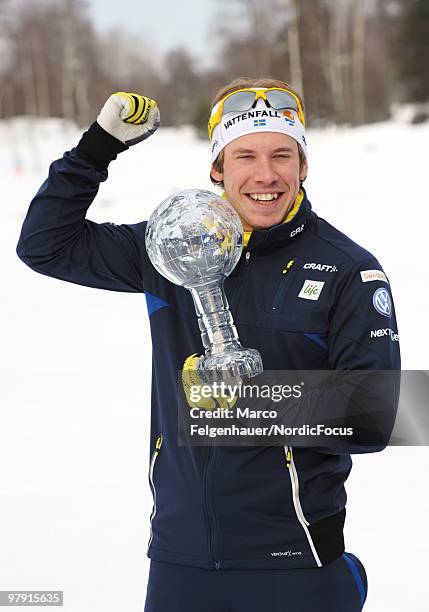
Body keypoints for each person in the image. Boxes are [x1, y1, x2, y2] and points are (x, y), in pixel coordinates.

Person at [16, 78, 400, 612]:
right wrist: (97, 148)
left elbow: (375, 416)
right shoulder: (170, 247)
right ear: (217, 167)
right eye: (245, 155)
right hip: (180, 562)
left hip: (297, 561)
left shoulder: (347, 268)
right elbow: (44, 245)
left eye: (282, 155)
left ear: (304, 166)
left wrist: (250, 401)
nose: (265, 175)